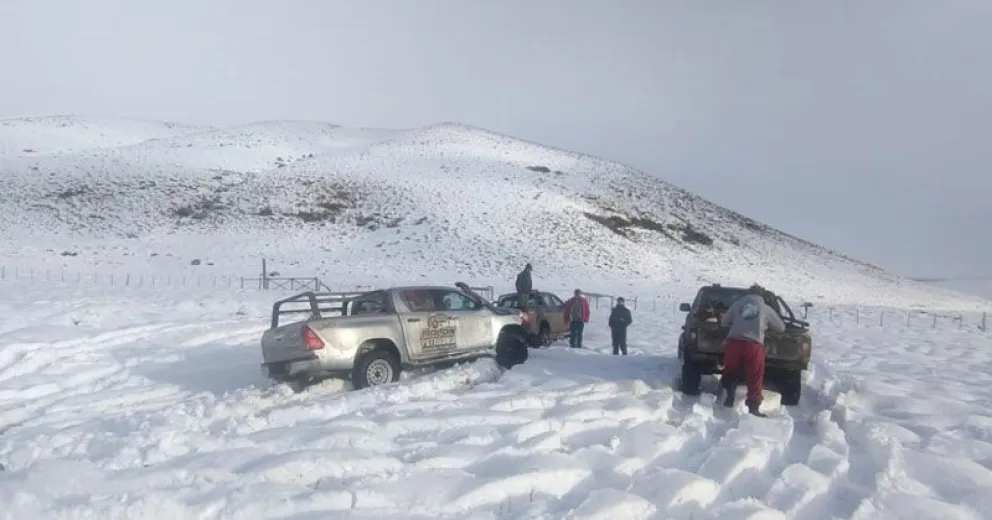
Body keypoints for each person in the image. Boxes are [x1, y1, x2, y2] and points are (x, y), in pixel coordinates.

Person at [719, 284, 786, 417]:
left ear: (748, 293)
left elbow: (724, 322)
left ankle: (730, 395)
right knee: (755, 376)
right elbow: (780, 328)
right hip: (753, 346)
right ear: (761, 295)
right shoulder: (765, 308)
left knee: (730, 371)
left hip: (734, 344)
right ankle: (753, 408)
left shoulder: (737, 305)